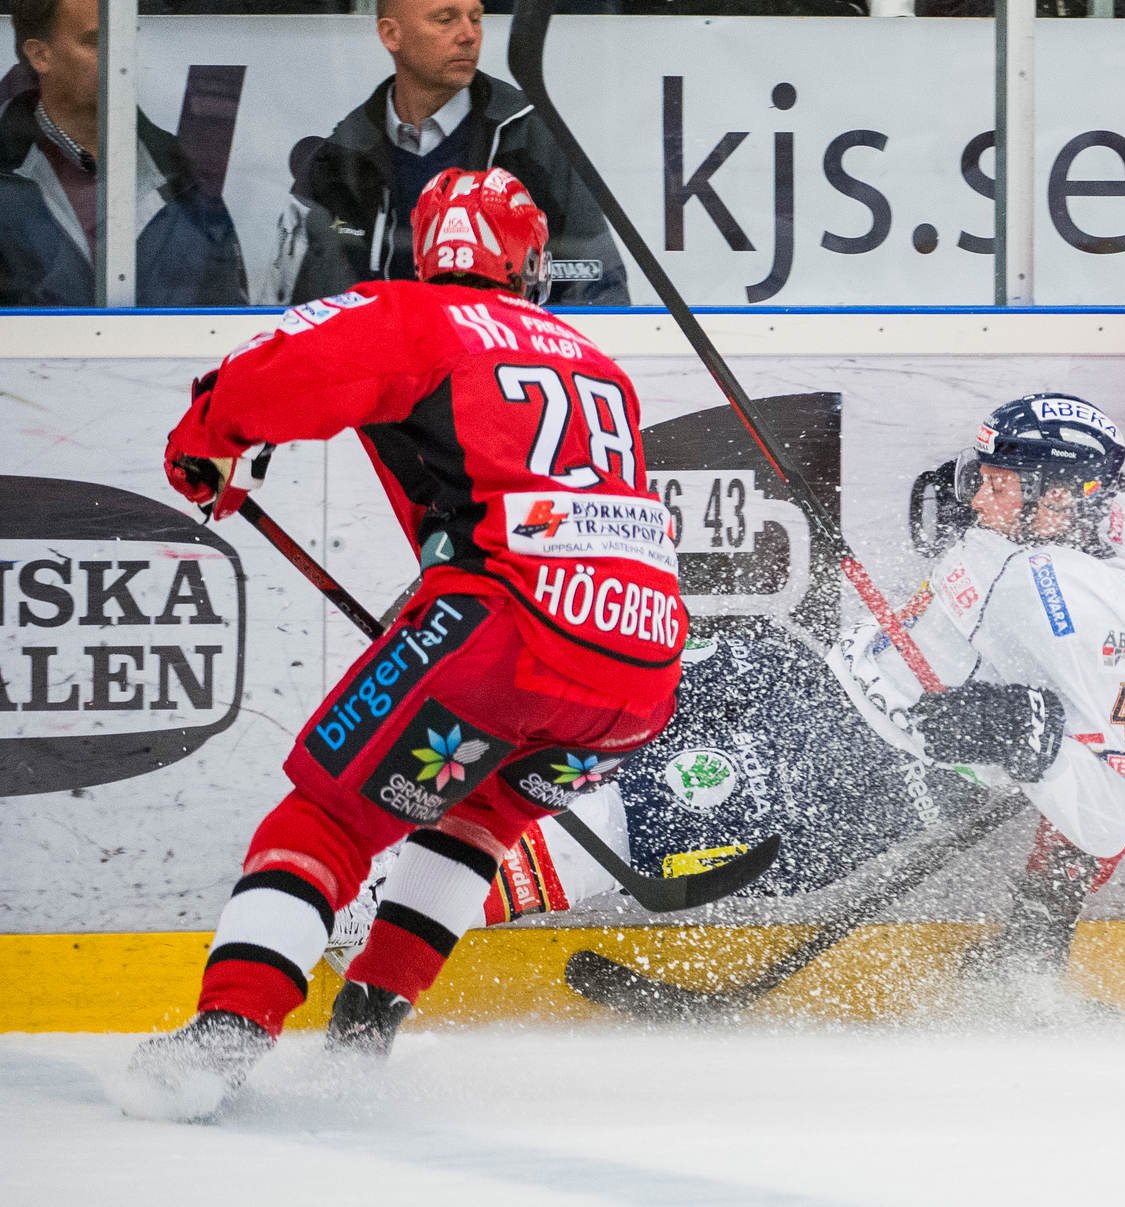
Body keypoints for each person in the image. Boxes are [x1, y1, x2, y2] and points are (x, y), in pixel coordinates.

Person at [119, 166, 683, 1121]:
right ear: (528, 259)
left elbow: (280, 370)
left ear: (427, 251)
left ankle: (228, 1032)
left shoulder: (416, 314)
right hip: (638, 675)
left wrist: (207, 435)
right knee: (477, 818)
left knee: (331, 818)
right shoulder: (596, 360)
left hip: (505, 637)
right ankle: (365, 1033)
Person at [329, 395, 1125, 1003]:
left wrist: (1032, 737)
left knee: (636, 813)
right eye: (982, 477)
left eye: (1001, 484)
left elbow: (1118, 808)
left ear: (1067, 498)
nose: (978, 498)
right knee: (592, 709)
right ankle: (397, 834)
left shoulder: (1089, 609)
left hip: (852, 785)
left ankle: (389, 914)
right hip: (801, 684)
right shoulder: (1026, 528)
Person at [268, 0, 629, 307]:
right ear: (391, 35)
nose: (469, 35)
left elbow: (599, 290)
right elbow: (289, 316)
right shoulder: (337, 161)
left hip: (501, 374)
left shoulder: (531, 140)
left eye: (476, 18)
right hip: (384, 383)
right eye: (445, 19)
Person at [0, 0, 248, 307]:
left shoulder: (180, 174)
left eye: (125, 36)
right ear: (40, 55)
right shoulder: (8, 175)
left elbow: (227, 321)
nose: (119, 55)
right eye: (95, 41)